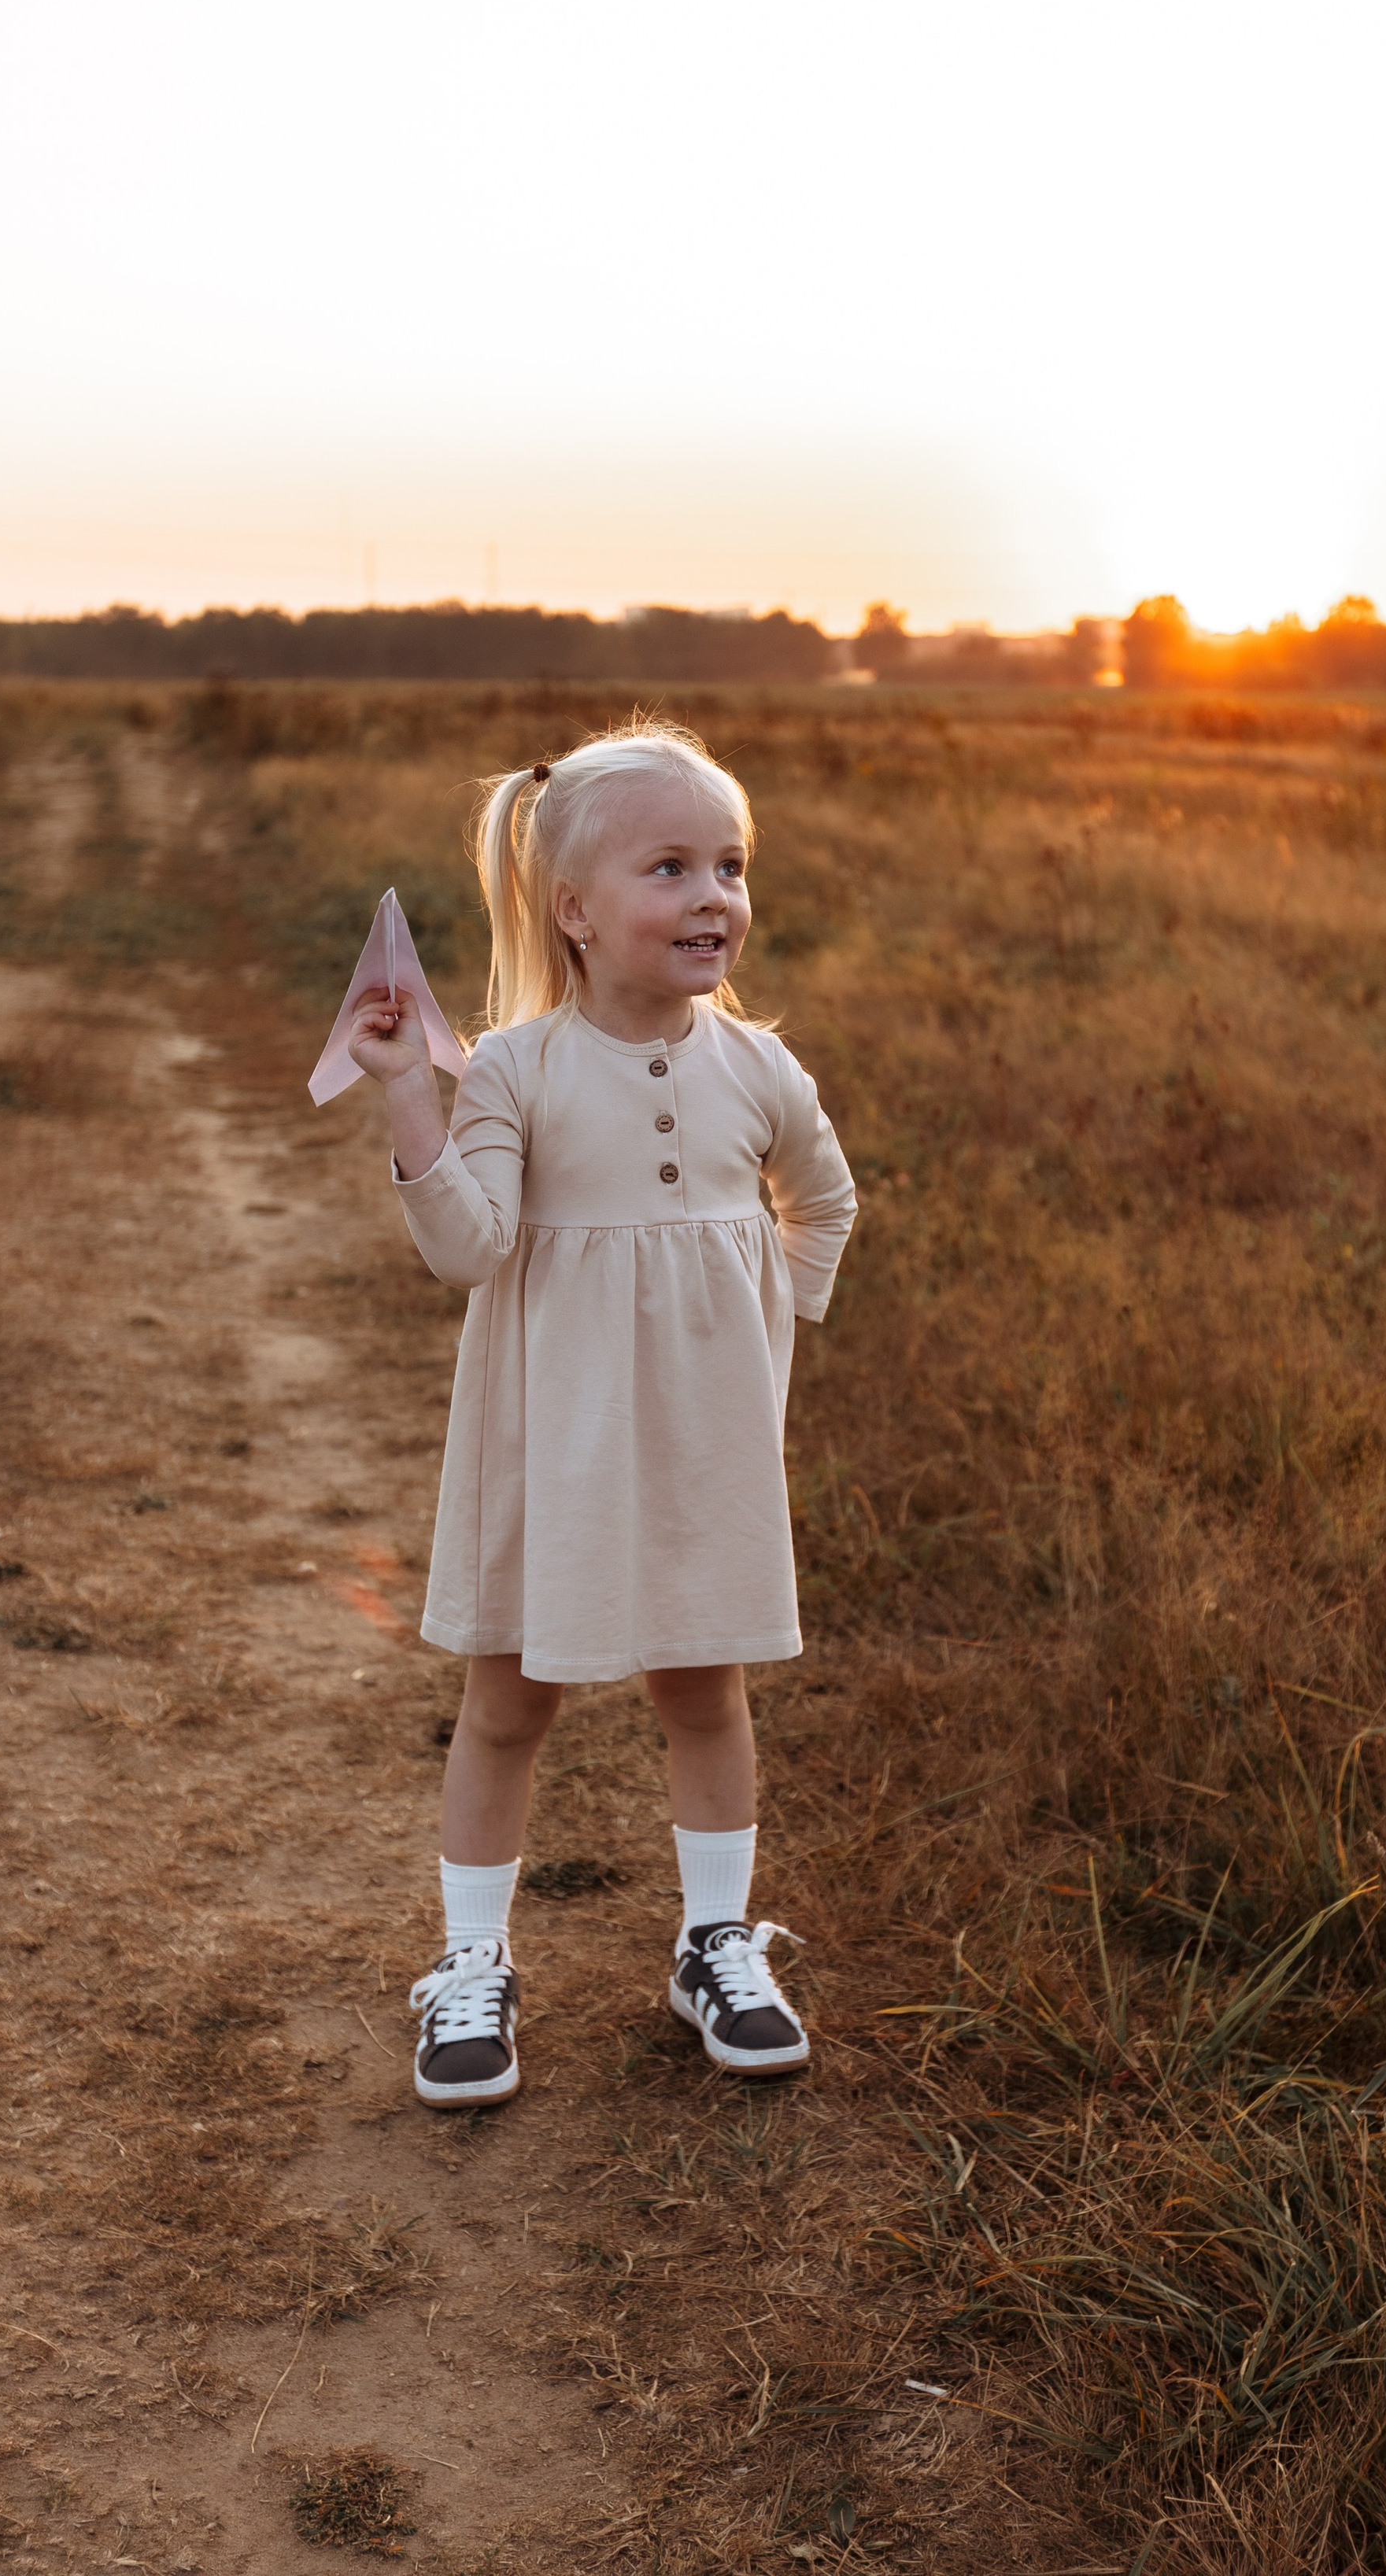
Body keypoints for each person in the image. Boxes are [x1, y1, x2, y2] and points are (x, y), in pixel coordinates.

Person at [348, 719, 858, 2107]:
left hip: (704, 1448)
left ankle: (714, 1946)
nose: (714, 896)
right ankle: (471, 1962)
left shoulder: (759, 1070)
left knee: (705, 1688)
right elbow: (468, 1249)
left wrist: (769, 1345)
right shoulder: (515, 1068)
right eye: (671, 867)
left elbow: (824, 1202)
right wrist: (410, 1099)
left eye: (731, 866)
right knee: (509, 1699)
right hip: (552, 1448)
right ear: (573, 910)